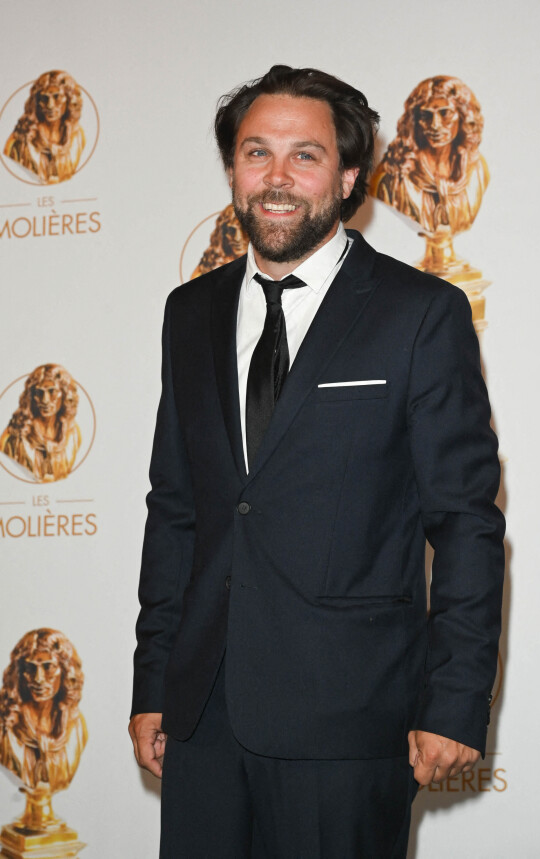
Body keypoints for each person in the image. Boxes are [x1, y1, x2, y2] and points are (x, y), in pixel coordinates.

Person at [129, 65, 505, 858]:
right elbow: (177, 510)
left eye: (305, 156)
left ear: (348, 176)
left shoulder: (418, 313)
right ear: (233, 168)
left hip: (349, 718)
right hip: (202, 717)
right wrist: (155, 682)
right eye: (256, 152)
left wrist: (456, 699)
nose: (276, 177)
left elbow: (466, 521)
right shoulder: (188, 313)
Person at [372, 75, 489, 236]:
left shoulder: (476, 170)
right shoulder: (394, 178)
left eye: (445, 113)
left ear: (462, 116)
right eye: (426, 115)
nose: (435, 125)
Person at [0, 628, 87, 793]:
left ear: (65, 670)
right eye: (30, 668)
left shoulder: (75, 725)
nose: (38, 679)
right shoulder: (6, 723)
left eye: (48, 667)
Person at [0, 363, 82, 482]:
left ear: (64, 394)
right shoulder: (17, 435)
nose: (45, 400)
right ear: (32, 396)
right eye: (39, 392)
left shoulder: (73, 434)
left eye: (52, 391)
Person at [4, 70, 86, 185]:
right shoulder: (22, 140)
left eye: (57, 97)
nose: (50, 105)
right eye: (44, 98)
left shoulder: (77, 137)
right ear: (37, 102)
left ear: (69, 99)